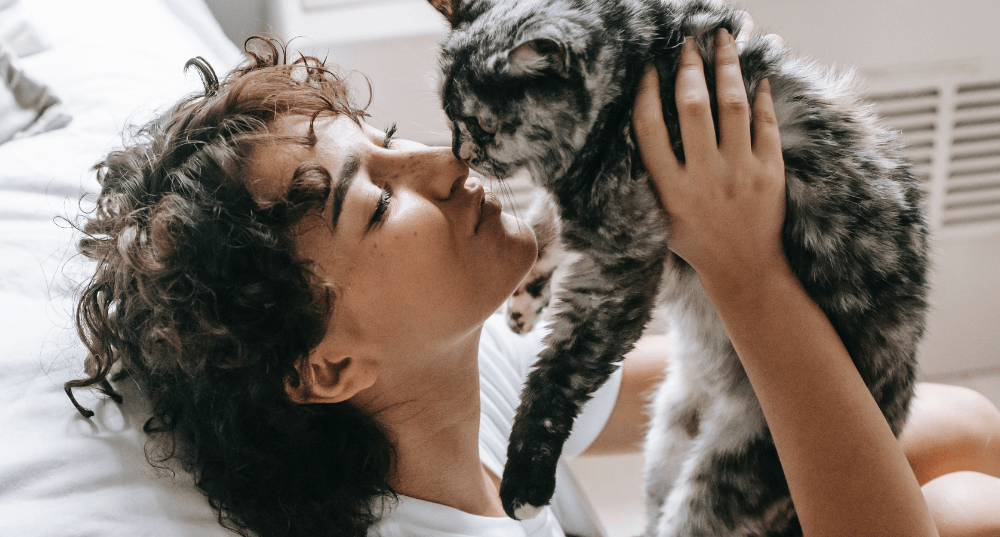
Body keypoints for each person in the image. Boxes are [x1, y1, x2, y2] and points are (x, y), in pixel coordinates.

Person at [64, 29, 1000, 537]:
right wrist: (745, 270)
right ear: (331, 365)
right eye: (378, 205)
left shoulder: (446, 384)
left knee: (959, 421)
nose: (445, 162)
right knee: (963, 513)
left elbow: (722, 391)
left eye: (388, 141)